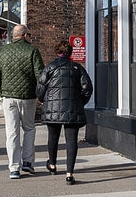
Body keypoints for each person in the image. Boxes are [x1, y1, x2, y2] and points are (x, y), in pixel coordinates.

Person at [0, 23, 44, 179]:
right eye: (30, 35)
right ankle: (27, 162)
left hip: (9, 98)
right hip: (28, 97)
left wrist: (2, 92)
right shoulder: (32, 51)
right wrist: (38, 94)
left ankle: (14, 168)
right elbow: (40, 75)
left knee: (12, 132)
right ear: (25, 35)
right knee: (29, 128)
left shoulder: (2, 51)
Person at [36, 41, 93, 185]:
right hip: (72, 109)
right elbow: (87, 88)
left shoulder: (50, 67)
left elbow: (40, 88)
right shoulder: (77, 68)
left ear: (57, 52)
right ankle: (69, 173)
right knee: (71, 141)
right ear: (70, 52)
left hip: (53, 109)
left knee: (52, 138)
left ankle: (53, 165)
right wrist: (80, 102)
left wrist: (45, 101)